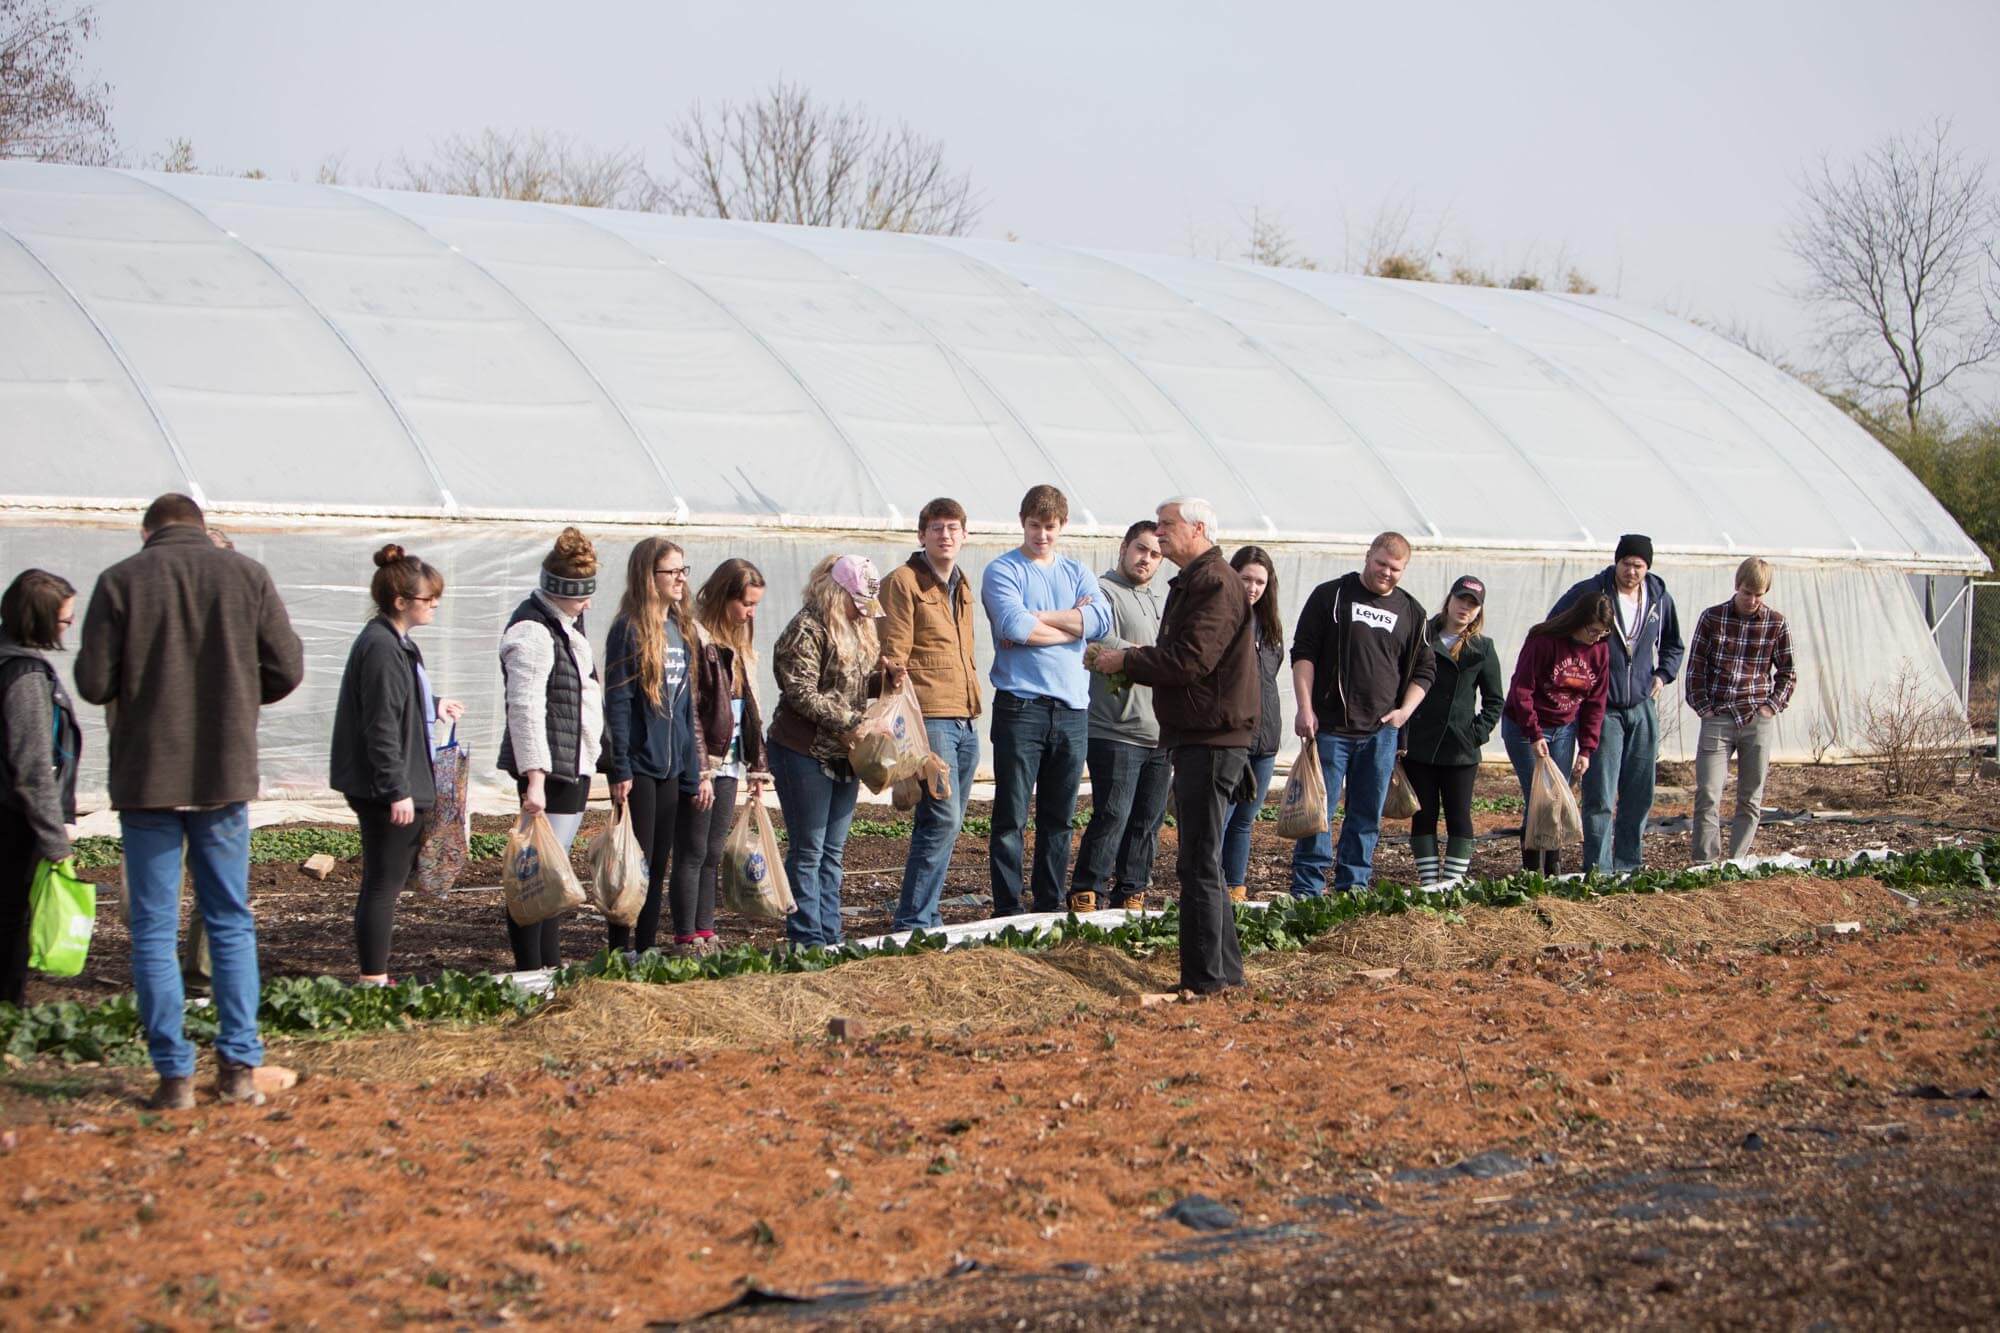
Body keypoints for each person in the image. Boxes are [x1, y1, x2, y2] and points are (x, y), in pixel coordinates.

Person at [74, 493, 304, 1110]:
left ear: (147, 531)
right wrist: (236, 697)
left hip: (148, 777)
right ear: (202, 529)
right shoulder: (247, 575)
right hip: (222, 776)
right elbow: (287, 668)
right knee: (228, 919)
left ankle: (173, 1077)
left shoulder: (120, 580)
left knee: (152, 928)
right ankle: (236, 1067)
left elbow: (93, 682)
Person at [1089, 498, 1257, 994]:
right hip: (1200, 736)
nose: (1159, 534)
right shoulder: (1197, 582)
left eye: (1167, 525)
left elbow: (1189, 661)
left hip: (1211, 738)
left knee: (1199, 861)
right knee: (1203, 859)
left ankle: (1207, 980)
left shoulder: (1213, 583)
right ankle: (1224, 974)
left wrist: (1127, 660)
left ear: (1199, 528)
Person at [329, 545, 464, 985]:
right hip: (384, 786)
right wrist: (396, 789)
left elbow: (398, 705)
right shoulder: (382, 647)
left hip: (393, 779)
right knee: (383, 883)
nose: (435, 606)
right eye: (429, 599)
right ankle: (374, 978)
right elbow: (380, 724)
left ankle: (376, 974)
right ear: (401, 602)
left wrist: (436, 704)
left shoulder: (394, 642)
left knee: (386, 879)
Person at [981, 484, 1112, 915]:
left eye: (1050, 527)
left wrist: (1043, 619)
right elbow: (1015, 626)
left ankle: (1049, 901)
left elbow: (1099, 620)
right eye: (1035, 526)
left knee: (1059, 817)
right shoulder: (1003, 571)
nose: (1042, 535)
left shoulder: (1077, 571)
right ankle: (1007, 907)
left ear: (1063, 526)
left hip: (1072, 710)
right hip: (1022, 708)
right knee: (1011, 816)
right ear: (1023, 523)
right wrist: (1071, 627)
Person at [1287, 532, 1436, 895]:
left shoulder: (1411, 611)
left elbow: (1424, 670)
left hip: (1380, 733)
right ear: (1368, 556)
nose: (1386, 573)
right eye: (1381, 563)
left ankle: (1352, 887)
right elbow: (1303, 652)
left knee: (1366, 815)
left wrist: (1404, 712)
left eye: (1395, 568)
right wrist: (1305, 708)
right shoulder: (1332, 595)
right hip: (1330, 726)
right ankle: (1307, 890)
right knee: (1316, 813)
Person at [768, 556, 902, 949]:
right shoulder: (806, 629)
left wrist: (883, 680)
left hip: (847, 752)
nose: (862, 609)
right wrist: (851, 721)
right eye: (855, 599)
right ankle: (806, 938)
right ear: (835, 590)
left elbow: (853, 685)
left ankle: (831, 934)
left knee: (833, 851)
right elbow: (801, 692)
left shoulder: (859, 627)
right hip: (803, 750)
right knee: (809, 849)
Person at [497, 526, 606, 971]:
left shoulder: (565, 627)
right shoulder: (532, 631)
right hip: (551, 770)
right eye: (582, 595)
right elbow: (524, 707)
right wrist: (535, 779)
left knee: (552, 874)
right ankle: (531, 969)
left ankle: (549, 966)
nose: (588, 604)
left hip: (571, 764)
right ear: (561, 591)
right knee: (536, 876)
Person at [603, 538, 712, 957]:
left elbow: (685, 709)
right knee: (633, 862)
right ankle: (619, 950)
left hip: (671, 768)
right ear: (649, 577)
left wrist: (691, 770)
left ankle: (645, 948)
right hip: (641, 767)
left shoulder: (679, 629)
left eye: (684, 570)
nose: (681, 579)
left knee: (659, 865)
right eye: (672, 572)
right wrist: (621, 769)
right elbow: (617, 701)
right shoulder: (627, 629)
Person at [1549, 535, 1684, 873]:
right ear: (1616, 562)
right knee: (1601, 793)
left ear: (1647, 567)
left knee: (1640, 791)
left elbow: (1673, 644)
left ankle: (1628, 864)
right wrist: (1576, 676)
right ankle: (1600, 868)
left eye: (1639, 566)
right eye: (1627, 564)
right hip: (1603, 707)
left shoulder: (1658, 598)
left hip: (1642, 705)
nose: (1632, 572)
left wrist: (1662, 676)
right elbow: (1553, 628)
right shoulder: (1592, 593)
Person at [879, 499, 983, 932]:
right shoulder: (903, 582)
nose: (945, 535)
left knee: (950, 820)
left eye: (953, 527)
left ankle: (926, 913)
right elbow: (893, 653)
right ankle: (914, 919)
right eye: (936, 527)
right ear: (921, 535)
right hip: (931, 718)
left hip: (965, 714)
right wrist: (902, 726)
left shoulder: (961, 584)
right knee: (940, 817)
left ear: (964, 535)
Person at [1070, 520, 1169, 914]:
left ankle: (1132, 891)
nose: (1146, 559)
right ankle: (1087, 890)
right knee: (1113, 812)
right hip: (1116, 727)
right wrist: (1149, 656)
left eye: (1156, 554)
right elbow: (1096, 641)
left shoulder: (1160, 601)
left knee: (1148, 818)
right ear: (1124, 547)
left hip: (1159, 730)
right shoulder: (1102, 591)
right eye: (1141, 549)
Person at [0, 570, 82, 1010]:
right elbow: (33, 766)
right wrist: (55, 841)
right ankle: (8, 1012)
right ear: (40, 618)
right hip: (12, 819)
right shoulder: (24, 674)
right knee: (11, 917)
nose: (67, 628)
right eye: (65, 621)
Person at [1686, 557, 1796, 863]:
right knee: (1708, 792)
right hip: (1719, 715)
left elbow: (1787, 672)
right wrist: (1704, 707)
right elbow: (1696, 668)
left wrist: (1771, 707)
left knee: (1751, 796)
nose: (1752, 600)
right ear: (1737, 587)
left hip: (1755, 716)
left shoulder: (1775, 623)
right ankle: (1705, 861)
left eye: (1759, 594)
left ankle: (1736, 861)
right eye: (1747, 592)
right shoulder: (1713, 618)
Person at [685, 558, 770, 948]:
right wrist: (701, 767)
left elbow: (749, 707)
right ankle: (687, 934)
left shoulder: (740, 641)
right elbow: (695, 708)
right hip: (709, 760)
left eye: (755, 605)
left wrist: (756, 767)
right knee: (694, 847)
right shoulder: (698, 638)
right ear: (724, 597)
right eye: (746, 604)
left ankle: (706, 928)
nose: (750, 613)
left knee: (714, 850)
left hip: (731, 759)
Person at [1400, 576, 1503, 886]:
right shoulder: (1421, 636)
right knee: (1423, 814)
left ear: (1478, 611)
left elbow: (1495, 700)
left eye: (1473, 605)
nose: (1465, 608)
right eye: (1461, 600)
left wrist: (1476, 734)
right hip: (1420, 745)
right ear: (1449, 600)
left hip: (1460, 750)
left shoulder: (1482, 648)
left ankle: (1452, 883)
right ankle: (1430, 884)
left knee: (1459, 816)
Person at [1501, 593, 1614, 875]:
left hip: (1563, 729)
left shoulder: (1599, 651)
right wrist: (1534, 733)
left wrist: (1587, 748)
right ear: (1579, 621)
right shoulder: (1544, 641)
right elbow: (1521, 689)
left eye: (1603, 633)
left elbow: (1595, 702)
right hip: (1524, 728)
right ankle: (1531, 872)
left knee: (1557, 798)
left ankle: (1552, 868)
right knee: (1539, 797)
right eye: (1593, 631)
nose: (1596, 638)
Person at [1219, 546, 1284, 903]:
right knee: (1222, 818)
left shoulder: (1271, 627)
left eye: (1260, 581)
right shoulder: (1223, 619)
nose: (1253, 587)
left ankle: (1236, 888)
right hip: (1233, 737)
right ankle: (1211, 887)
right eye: (1246, 578)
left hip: (1265, 740)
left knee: (1245, 819)